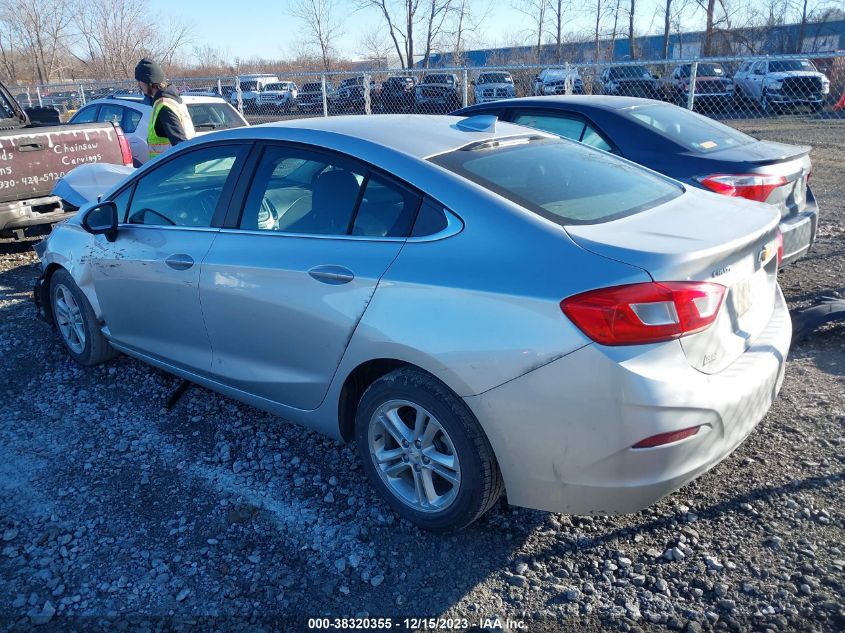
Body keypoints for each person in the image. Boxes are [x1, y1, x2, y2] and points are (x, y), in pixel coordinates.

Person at [134, 58, 195, 160]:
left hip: (172, 171)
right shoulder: (173, 100)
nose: (139, 85)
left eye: (140, 81)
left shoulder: (164, 106)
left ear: (148, 82)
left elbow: (180, 144)